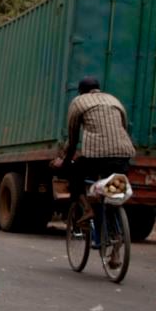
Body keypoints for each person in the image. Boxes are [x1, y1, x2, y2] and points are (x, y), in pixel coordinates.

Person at [56, 76, 136, 230]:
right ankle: (114, 227)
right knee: (112, 189)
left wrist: (64, 160)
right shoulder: (114, 100)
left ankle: (87, 209)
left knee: (75, 173)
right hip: (124, 153)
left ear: (81, 91)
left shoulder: (79, 102)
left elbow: (73, 139)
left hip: (96, 157)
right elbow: (123, 127)